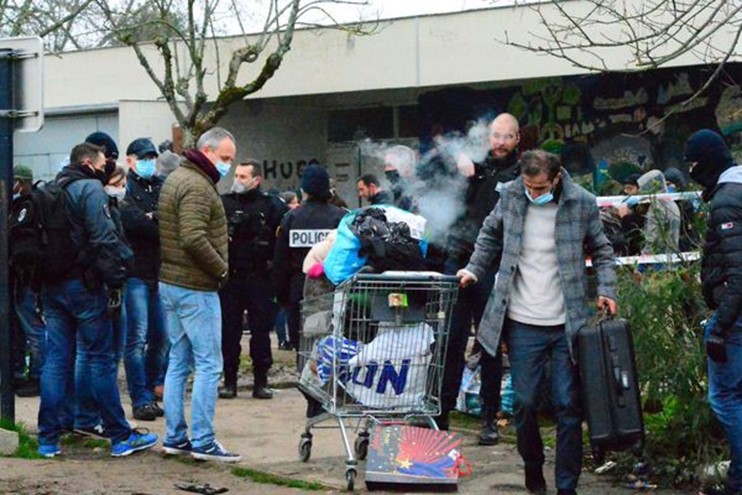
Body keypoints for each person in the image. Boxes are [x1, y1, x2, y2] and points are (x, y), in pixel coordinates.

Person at [459, 150, 617, 495]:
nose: (533, 192)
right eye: (528, 186)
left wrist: (607, 289)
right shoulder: (511, 195)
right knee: (525, 403)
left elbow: (603, 250)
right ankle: (533, 467)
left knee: (567, 405)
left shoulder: (582, 203)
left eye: (540, 187)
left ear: (556, 178)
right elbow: (488, 235)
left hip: (566, 323)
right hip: (521, 322)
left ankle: (566, 487)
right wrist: (473, 269)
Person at [37, 142, 158, 458]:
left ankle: (48, 439)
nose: (108, 165)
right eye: (104, 161)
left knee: (57, 360)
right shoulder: (89, 189)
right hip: (85, 285)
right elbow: (104, 237)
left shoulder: (51, 189)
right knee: (100, 358)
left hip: (53, 285)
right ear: (89, 162)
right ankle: (120, 435)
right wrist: (116, 277)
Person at [158, 127, 241, 462]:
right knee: (209, 363)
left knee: (178, 360)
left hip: (171, 282)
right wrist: (220, 268)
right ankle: (203, 441)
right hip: (195, 286)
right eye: (224, 158)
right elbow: (193, 237)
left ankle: (175, 436)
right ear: (206, 151)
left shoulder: (177, 178)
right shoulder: (197, 186)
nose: (228, 166)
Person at [439, 113, 521, 445]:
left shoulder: (518, 175)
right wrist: (459, 174)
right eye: (495, 135)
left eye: (507, 137)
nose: (499, 142)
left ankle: (489, 416)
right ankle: (440, 413)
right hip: (458, 262)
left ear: (517, 140)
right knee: (450, 343)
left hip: (492, 266)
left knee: (489, 345)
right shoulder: (468, 166)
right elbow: (441, 202)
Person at [684, 129, 742, 495]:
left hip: (735, 319)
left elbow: (739, 273)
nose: (689, 169)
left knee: (724, 399)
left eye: (692, 162)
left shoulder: (726, 202)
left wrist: (720, 324)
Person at [218, 160, 288, 399]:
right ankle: (229, 381)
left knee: (260, 331)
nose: (237, 179)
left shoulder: (271, 206)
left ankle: (261, 380)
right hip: (231, 278)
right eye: (236, 175)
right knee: (230, 331)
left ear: (256, 180)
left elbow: (282, 241)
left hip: (260, 277)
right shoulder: (224, 203)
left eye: (243, 176)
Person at [73, 165, 130, 438]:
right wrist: (118, 276)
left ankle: (84, 417)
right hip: (104, 284)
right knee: (104, 357)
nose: (121, 187)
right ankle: (112, 425)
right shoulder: (102, 206)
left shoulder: (81, 200)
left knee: (85, 355)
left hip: (85, 283)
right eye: (118, 182)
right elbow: (110, 243)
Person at [119, 137, 168, 421]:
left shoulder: (161, 186)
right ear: (130, 160)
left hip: (158, 272)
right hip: (135, 273)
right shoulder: (126, 188)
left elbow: (166, 221)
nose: (149, 163)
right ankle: (141, 397)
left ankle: (151, 390)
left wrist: (153, 218)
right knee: (136, 339)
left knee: (161, 338)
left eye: (151, 158)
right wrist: (151, 220)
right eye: (143, 158)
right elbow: (132, 220)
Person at [273, 164, 346, 351]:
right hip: (333, 288)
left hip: (299, 288)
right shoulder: (340, 218)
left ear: (304, 190)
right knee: (332, 342)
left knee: (303, 345)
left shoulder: (291, 218)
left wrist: (282, 296)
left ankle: (304, 377)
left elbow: (280, 261)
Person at [9, 165, 45, 397]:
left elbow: (21, 245)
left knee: (34, 330)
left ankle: (39, 376)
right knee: (24, 329)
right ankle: (24, 373)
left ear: (20, 183)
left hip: (26, 280)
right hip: (23, 280)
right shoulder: (28, 205)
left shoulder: (27, 207)